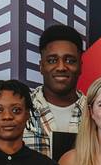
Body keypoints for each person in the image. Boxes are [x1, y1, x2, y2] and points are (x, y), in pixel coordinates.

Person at [24, 23, 87, 157]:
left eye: (70, 61)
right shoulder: (20, 108)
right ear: (41, 66)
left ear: (80, 66)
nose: (61, 67)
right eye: (52, 60)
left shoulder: (96, 113)